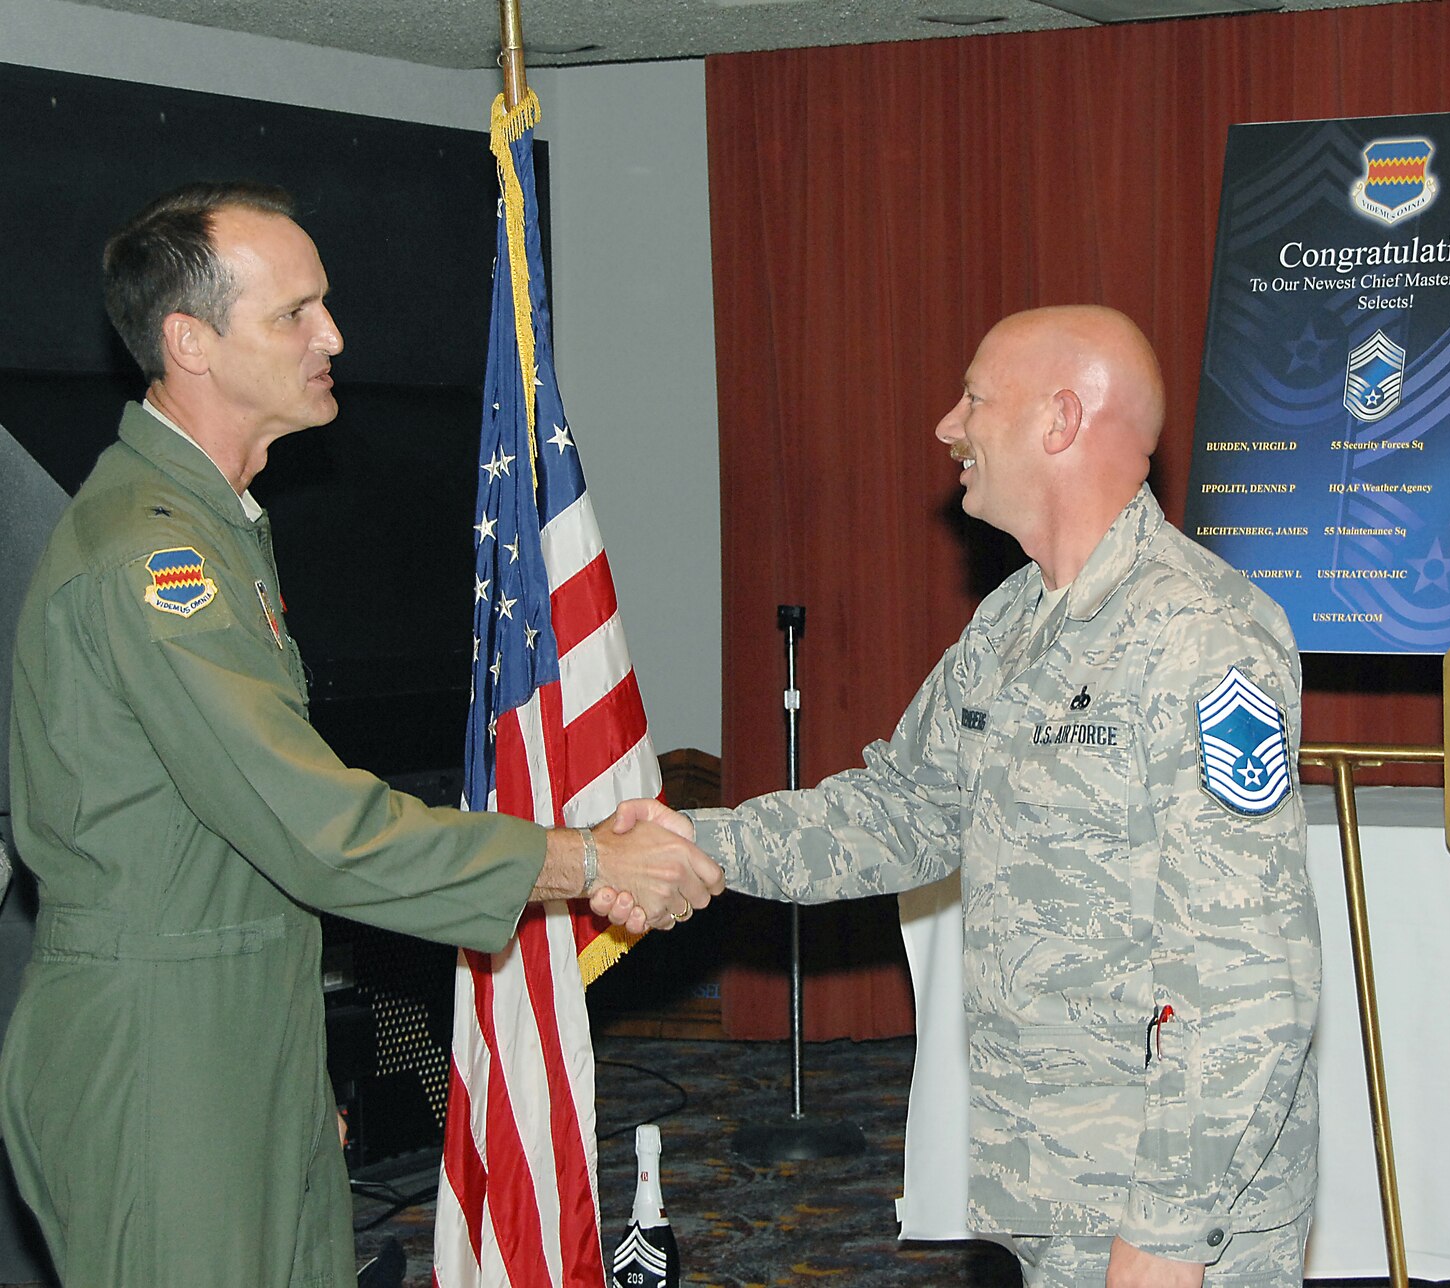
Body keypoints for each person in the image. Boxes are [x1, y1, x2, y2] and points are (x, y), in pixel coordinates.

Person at [1, 181, 724, 1286]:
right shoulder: (154, 559)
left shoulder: (215, 521)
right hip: (161, 1044)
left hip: (236, 1025)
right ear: (189, 341)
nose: (331, 334)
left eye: (323, 304)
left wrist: (282, 1076)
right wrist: (585, 861)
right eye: (293, 312)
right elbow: (314, 825)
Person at [623, 306, 1320, 1287]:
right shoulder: (1010, 623)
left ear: (1059, 422)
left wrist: (1165, 1238)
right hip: (1054, 1191)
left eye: (975, 398)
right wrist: (690, 840)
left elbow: (1251, 984)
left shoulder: (1201, 637)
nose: (947, 425)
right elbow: (897, 810)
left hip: (1171, 1215)